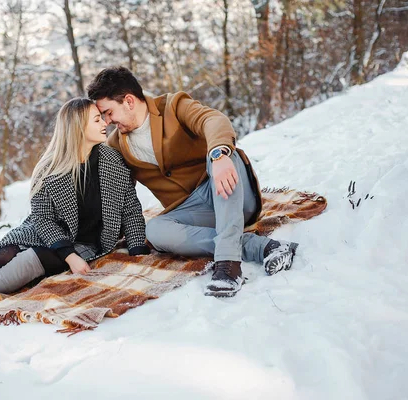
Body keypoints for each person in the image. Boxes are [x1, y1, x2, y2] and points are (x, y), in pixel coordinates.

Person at [0, 98, 150, 322]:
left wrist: (137, 249)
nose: (105, 123)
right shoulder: (50, 167)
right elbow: (43, 219)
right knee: (5, 252)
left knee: (26, 261)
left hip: (85, 242)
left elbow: (130, 208)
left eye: (102, 117)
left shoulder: (112, 161)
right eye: (97, 119)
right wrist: (69, 256)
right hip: (43, 231)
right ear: (77, 127)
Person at [87, 67, 298, 298]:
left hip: (230, 192)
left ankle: (229, 265)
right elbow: (115, 195)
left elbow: (212, 120)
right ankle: (260, 247)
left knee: (225, 154)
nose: (107, 121)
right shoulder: (117, 145)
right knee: (155, 230)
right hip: (196, 212)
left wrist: (219, 155)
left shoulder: (172, 106)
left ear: (128, 101)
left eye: (108, 112)